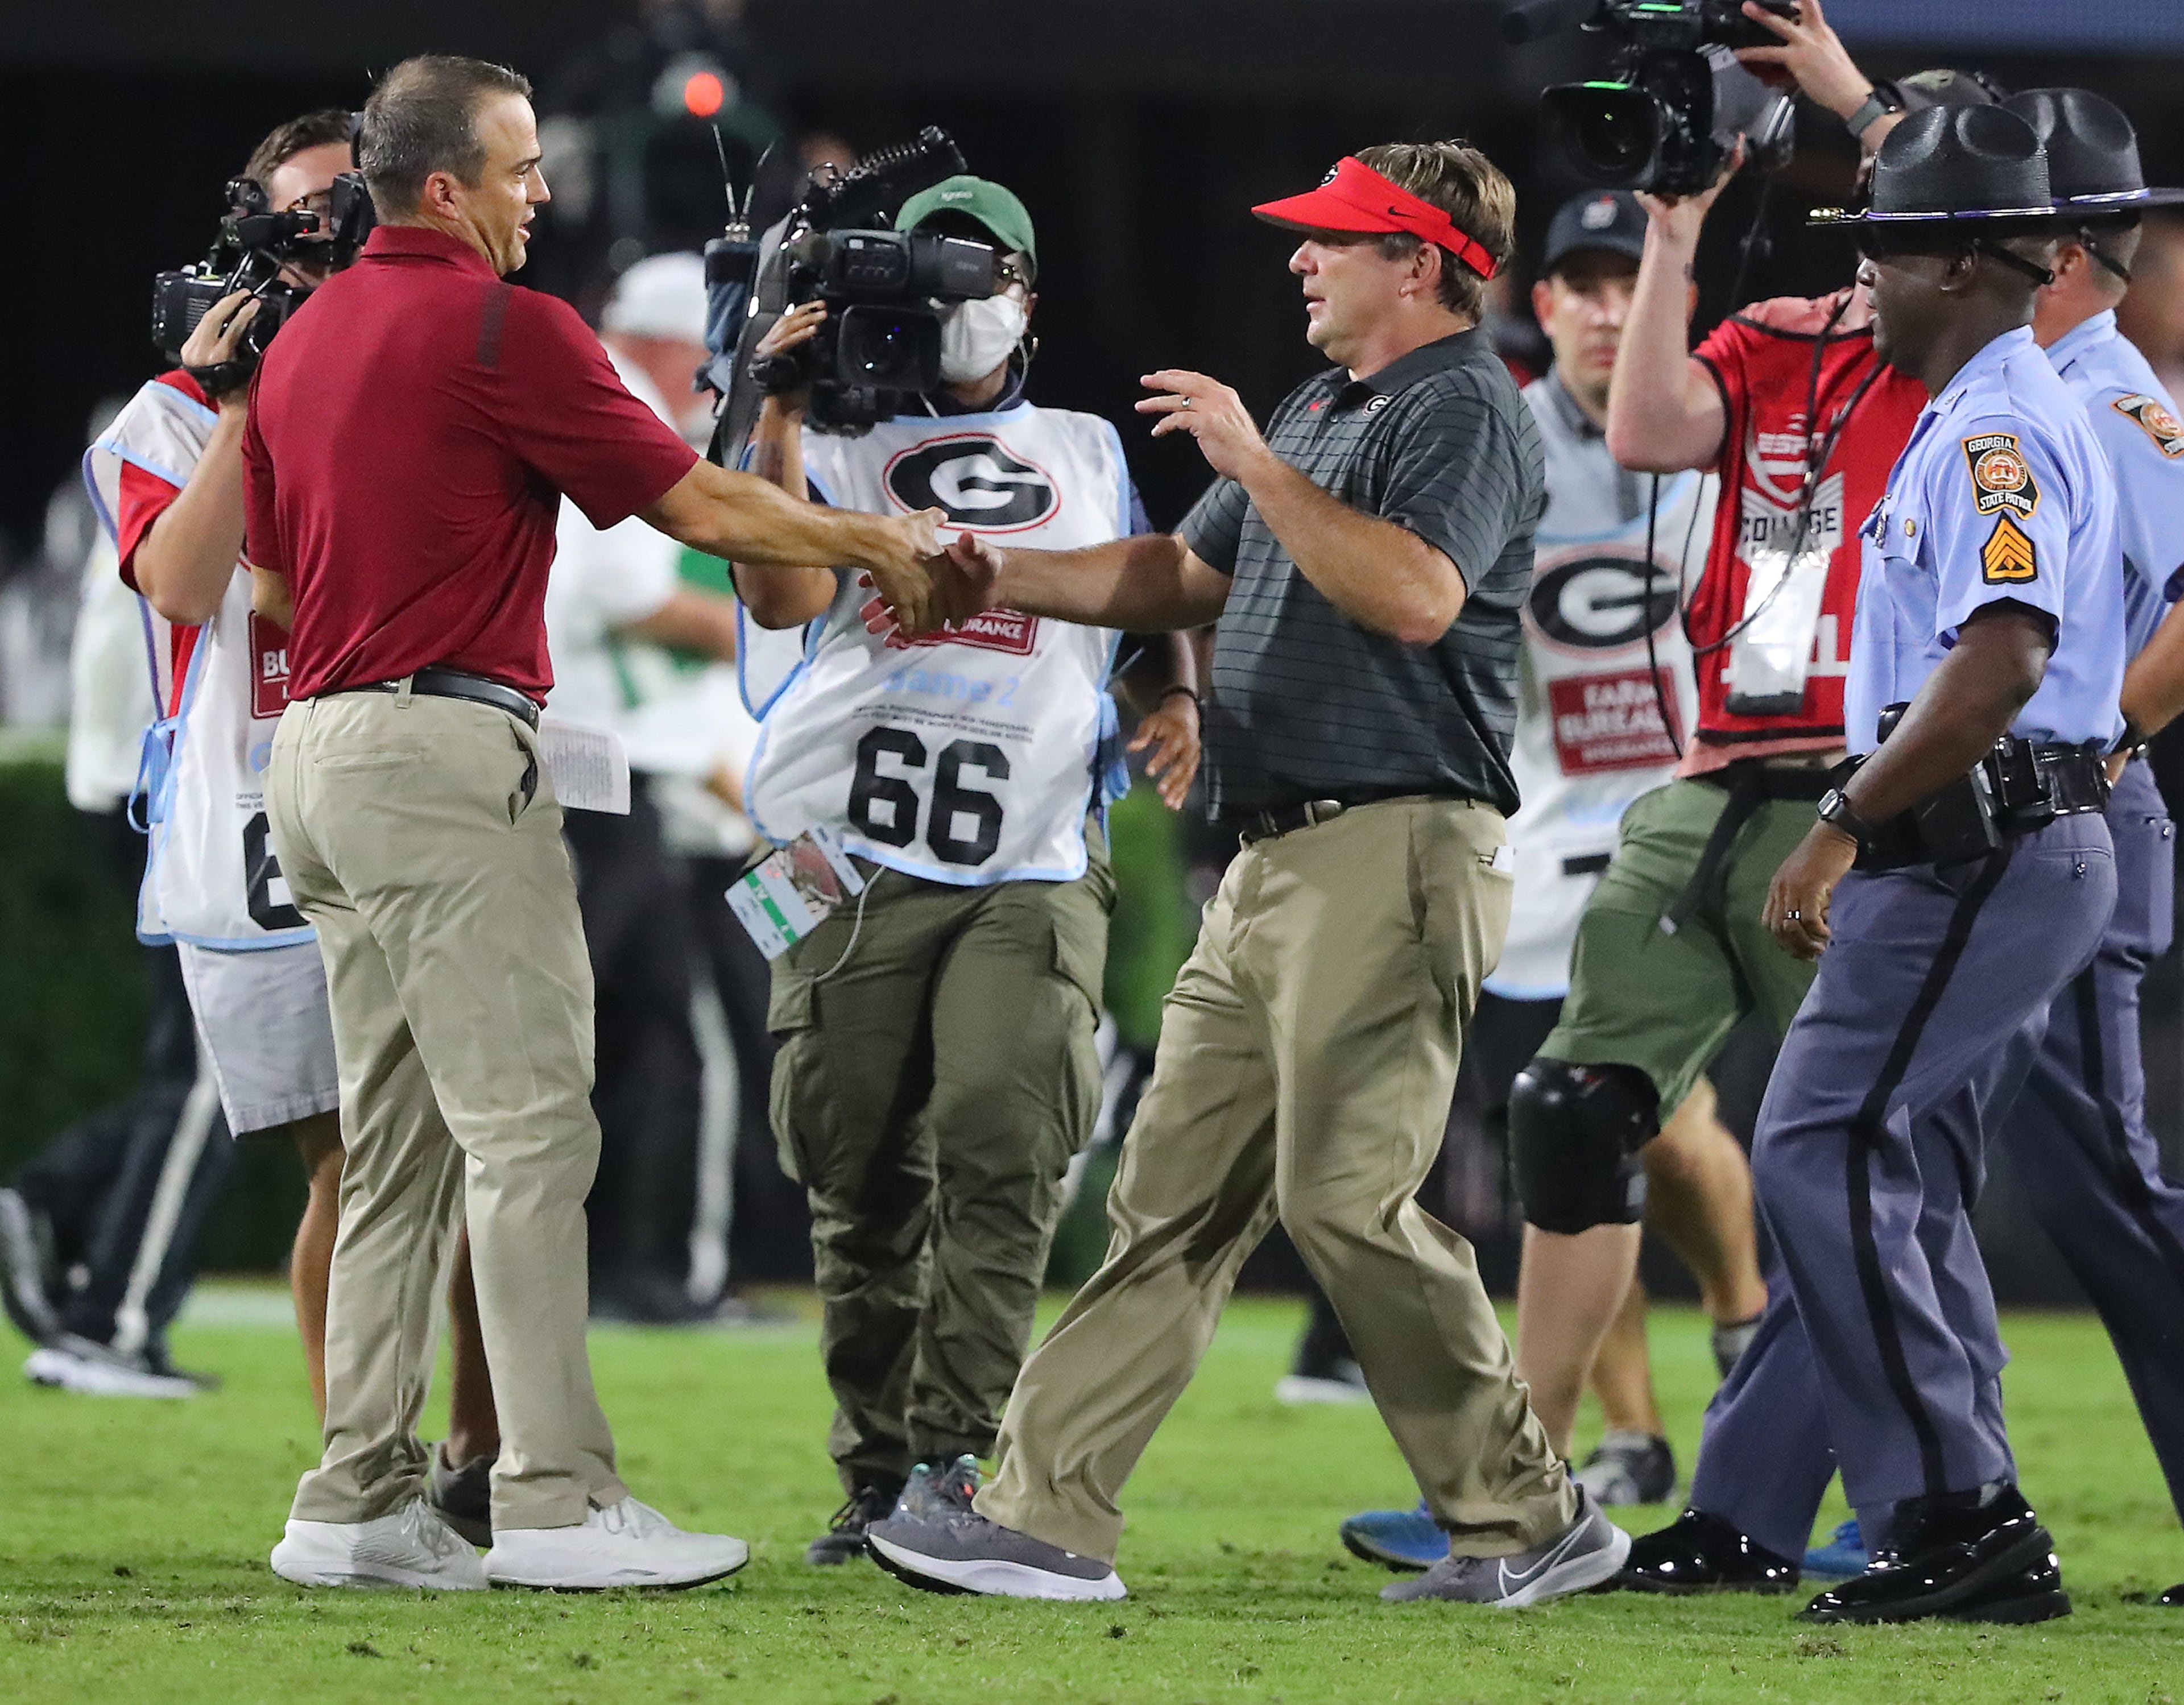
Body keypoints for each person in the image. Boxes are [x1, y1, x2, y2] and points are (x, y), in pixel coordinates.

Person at [862, 140, 1627, 1608]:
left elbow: (1415, 596)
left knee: (1347, 1198)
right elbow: (1176, 578)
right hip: (1277, 853)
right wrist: (985, 569)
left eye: (1333, 239)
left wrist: (1257, 464)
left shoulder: (1466, 399)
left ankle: (1529, 1513)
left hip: (1394, 838)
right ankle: (1043, 1513)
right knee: (1171, 1195)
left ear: (1420, 261)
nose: (1298, 258)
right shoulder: (1333, 399)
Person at [242, 54, 956, 1593]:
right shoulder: (505, 323)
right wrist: (875, 539)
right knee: (533, 1128)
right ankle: (557, 1495)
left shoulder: (301, 343)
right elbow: (700, 516)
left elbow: (267, 586)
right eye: (517, 171)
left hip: (313, 748)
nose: (540, 193)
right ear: (446, 188)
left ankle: (357, 1491)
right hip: (439, 749)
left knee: (396, 1147)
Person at [1627, 86, 2184, 1615]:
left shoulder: (2043, 411)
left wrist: (1850, 816)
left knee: (1889, 1157)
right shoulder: (1991, 390)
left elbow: (2010, 654)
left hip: (2003, 821)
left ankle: (1957, 1514)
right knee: (1860, 1156)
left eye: (1884, 248)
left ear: (1978, 261)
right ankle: (1857, 1505)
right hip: (1986, 818)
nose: (1855, 275)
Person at [1500, 31, 1992, 1479]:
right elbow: (1651, 429)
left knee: (1873, 1157)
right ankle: (1521, 1490)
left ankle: (1939, 1484)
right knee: (1576, 1108)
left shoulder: (1976, 353)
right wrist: (1672, 226)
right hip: (1711, 772)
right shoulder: (1777, 328)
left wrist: (1842, 84)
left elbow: (1973, 219)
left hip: (1870, 783)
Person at [729, 172, 1202, 1566]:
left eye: (977, 265)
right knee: (858, 1171)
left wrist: (1173, 690)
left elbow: (1146, 583)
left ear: (1027, 293)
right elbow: (777, 591)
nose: (952, 292)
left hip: (1034, 851)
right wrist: (779, 406)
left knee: (1007, 1134)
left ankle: (951, 1455)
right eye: (926, 263)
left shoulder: (1085, 440)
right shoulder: (829, 431)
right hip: (849, 852)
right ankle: (875, 1469)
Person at [64, 107, 508, 1528]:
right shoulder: (165, 416)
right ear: (249, 232)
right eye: (299, 216)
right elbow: (190, 590)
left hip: (419, 771)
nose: (324, 243)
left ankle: (486, 1458)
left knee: (477, 1137)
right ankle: (359, 1468)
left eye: (348, 214)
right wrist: (247, 407)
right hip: (254, 805)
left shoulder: (435, 366)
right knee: (352, 1153)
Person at [1335, 188, 1765, 1571]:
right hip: (1540, 848)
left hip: (1700, 832)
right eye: (1576, 281)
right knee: (1579, 1143)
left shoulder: (1733, 426)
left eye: (1624, 278)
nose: (1599, 307)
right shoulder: (1495, 433)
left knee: (1643, 1119)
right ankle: (1608, 1438)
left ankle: (1736, 1337)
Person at [541, 250, 751, 1325]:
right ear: (678, 343)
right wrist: (782, 621)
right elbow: (629, 593)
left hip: (586, 760)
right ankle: (640, 1269)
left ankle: (625, 1269)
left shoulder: (586, 385)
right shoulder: (612, 401)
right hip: (601, 767)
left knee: (629, 1025)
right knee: (607, 1028)